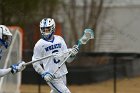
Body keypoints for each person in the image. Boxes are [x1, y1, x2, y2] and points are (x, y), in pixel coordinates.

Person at [32, 18, 79, 93]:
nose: (45, 31)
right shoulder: (39, 44)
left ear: (53, 28)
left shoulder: (59, 39)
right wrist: (44, 74)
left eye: (47, 29)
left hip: (62, 72)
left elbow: (67, 59)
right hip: (52, 76)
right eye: (43, 29)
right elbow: (35, 62)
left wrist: (72, 55)